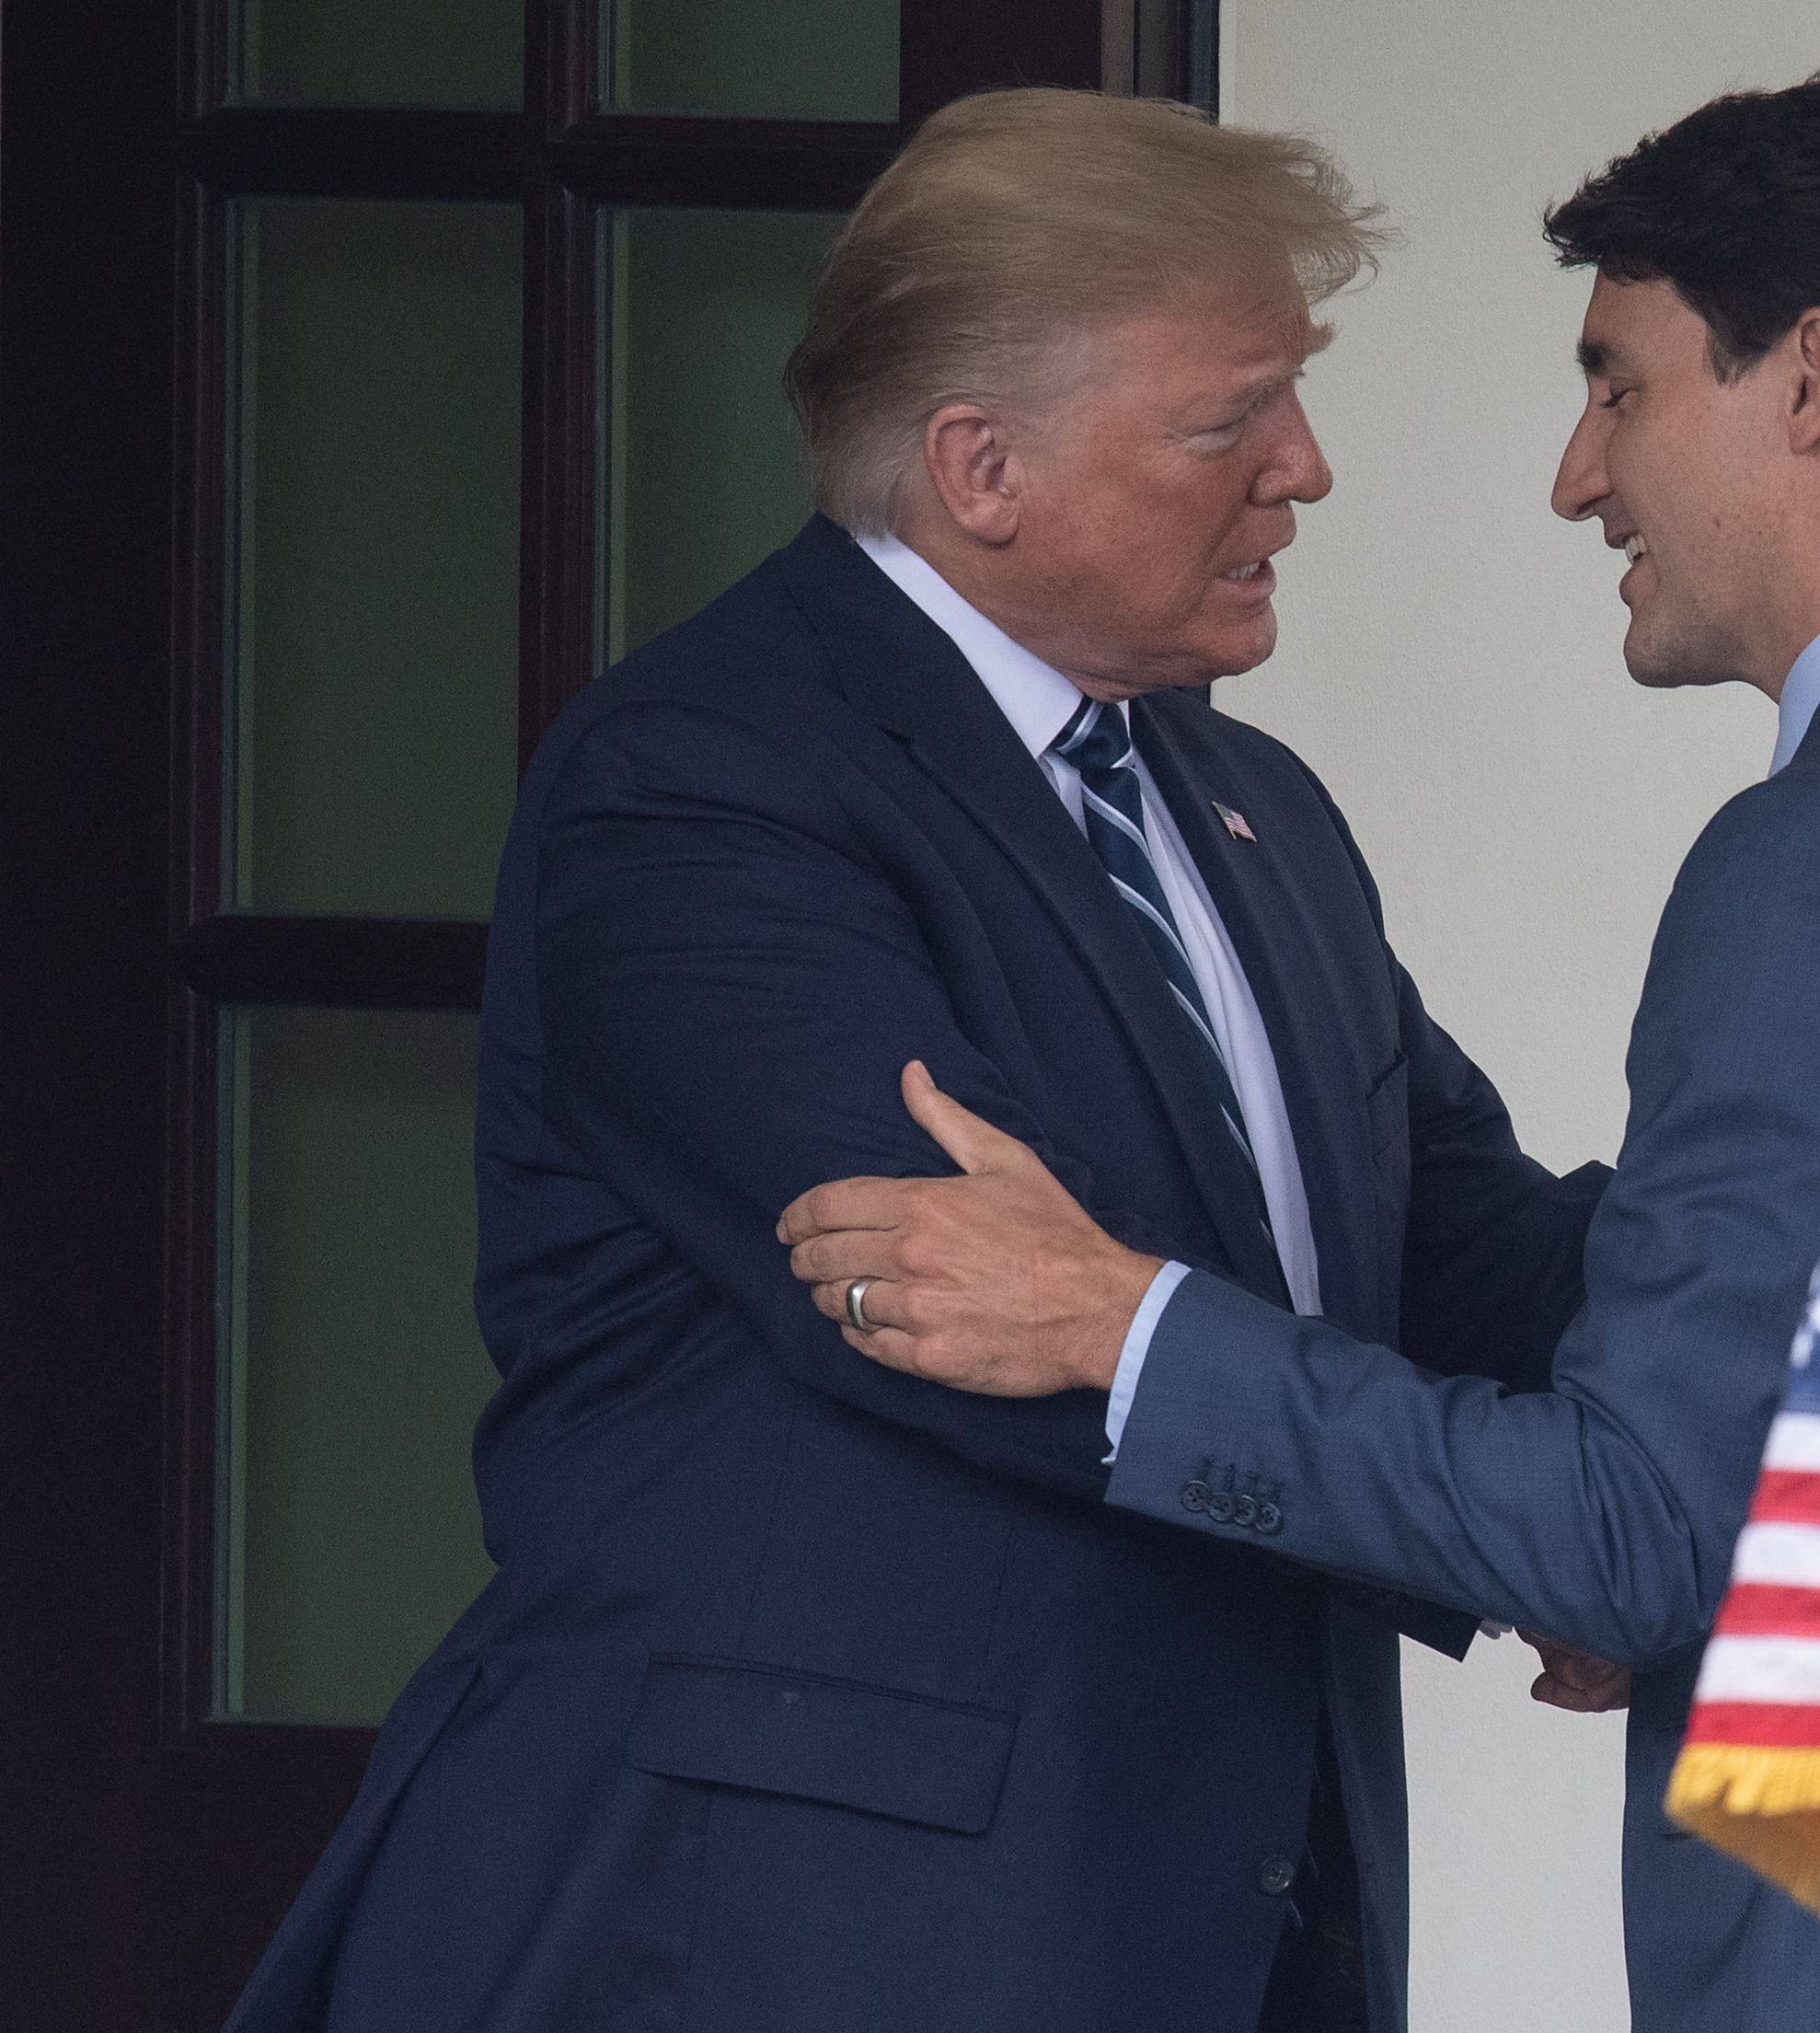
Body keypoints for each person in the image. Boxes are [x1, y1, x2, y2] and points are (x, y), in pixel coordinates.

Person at [783, 52, 1820, 2033]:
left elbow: (1641, 1534)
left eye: (1622, 384)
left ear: (1810, 378)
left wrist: (1125, 1328)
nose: (1578, 472)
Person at [223, 88, 1607, 2033]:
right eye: (1230, 419)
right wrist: (1535, 1528)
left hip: (1234, 1931)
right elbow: (980, 1329)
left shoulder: (1254, 813)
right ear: (981, 468)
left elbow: (1458, 1252)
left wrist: (1781, 1251)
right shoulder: (700, 787)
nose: (1304, 469)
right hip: (803, 1941)